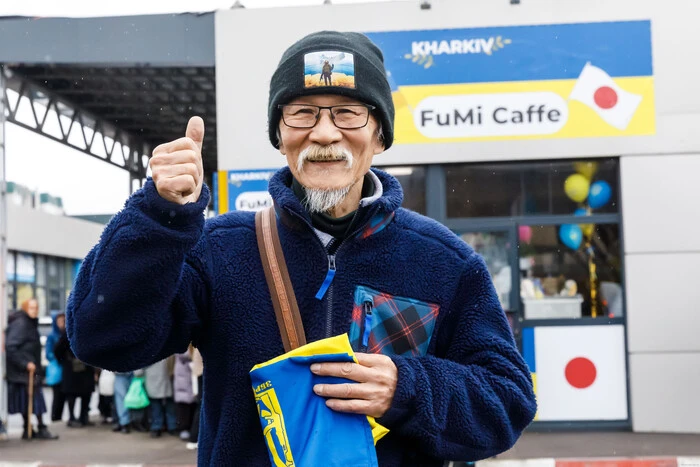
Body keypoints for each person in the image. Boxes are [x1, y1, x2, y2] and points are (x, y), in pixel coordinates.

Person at [66, 31, 536, 465]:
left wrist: (405, 388)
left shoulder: (444, 262)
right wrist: (160, 216)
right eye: (302, 112)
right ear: (280, 134)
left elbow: (508, 402)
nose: (325, 133)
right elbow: (103, 339)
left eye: (348, 112)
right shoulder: (218, 249)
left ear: (380, 135)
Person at [5, 300, 58, 440]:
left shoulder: (28, 322)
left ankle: (29, 429)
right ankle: (38, 428)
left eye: (36, 307)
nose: (34, 310)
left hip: (26, 371)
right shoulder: (22, 324)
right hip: (24, 372)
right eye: (31, 308)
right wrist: (25, 363)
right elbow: (11, 347)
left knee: (30, 401)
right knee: (34, 400)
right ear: (25, 308)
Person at [54, 325, 96, 427]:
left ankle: (83, 417)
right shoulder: (68, 331)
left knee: (86, 394)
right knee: (71, 395)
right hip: (72, 368)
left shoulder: (90, 330)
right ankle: (72, 418)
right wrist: (65, 361)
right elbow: (58, 350)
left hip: (85, 367)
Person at [144, 357, 177, 437]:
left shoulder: (147, 350)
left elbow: (138, 372)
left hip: (152, 381)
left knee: (155, 406)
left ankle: (156, 427)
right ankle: (172, 426)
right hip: (168, 379)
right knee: (170, 404)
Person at [45, 311, 66, 422]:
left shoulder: (66, 333)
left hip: (65, 370)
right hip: (57, 369)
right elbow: (48, 354)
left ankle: (59, 417)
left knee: (63, 395)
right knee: (57, 395)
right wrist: (59, 357)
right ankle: (55, 417)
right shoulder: (52, 336)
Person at [173, 349, 196, 441]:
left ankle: (190, 428)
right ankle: (184, 429)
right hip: (183, 377)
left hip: (191, 376)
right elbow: (183, 354)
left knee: (193, 405)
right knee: (183, 406)